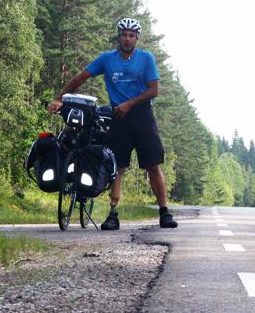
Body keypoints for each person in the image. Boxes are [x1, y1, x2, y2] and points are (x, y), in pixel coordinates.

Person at [48, 18, 178, 230]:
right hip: (119, 117)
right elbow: (81, 77)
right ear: (119, 37)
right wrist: (60, 97)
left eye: (131, 35)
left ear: (137, 38)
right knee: (118, 166)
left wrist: (130, 103)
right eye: (124, 35)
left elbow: (154, 91)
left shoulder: (146, 58)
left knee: (153, 165)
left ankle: (164, 213)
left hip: (143, 115)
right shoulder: (107, 59)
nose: (127, 39)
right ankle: (112, 214)